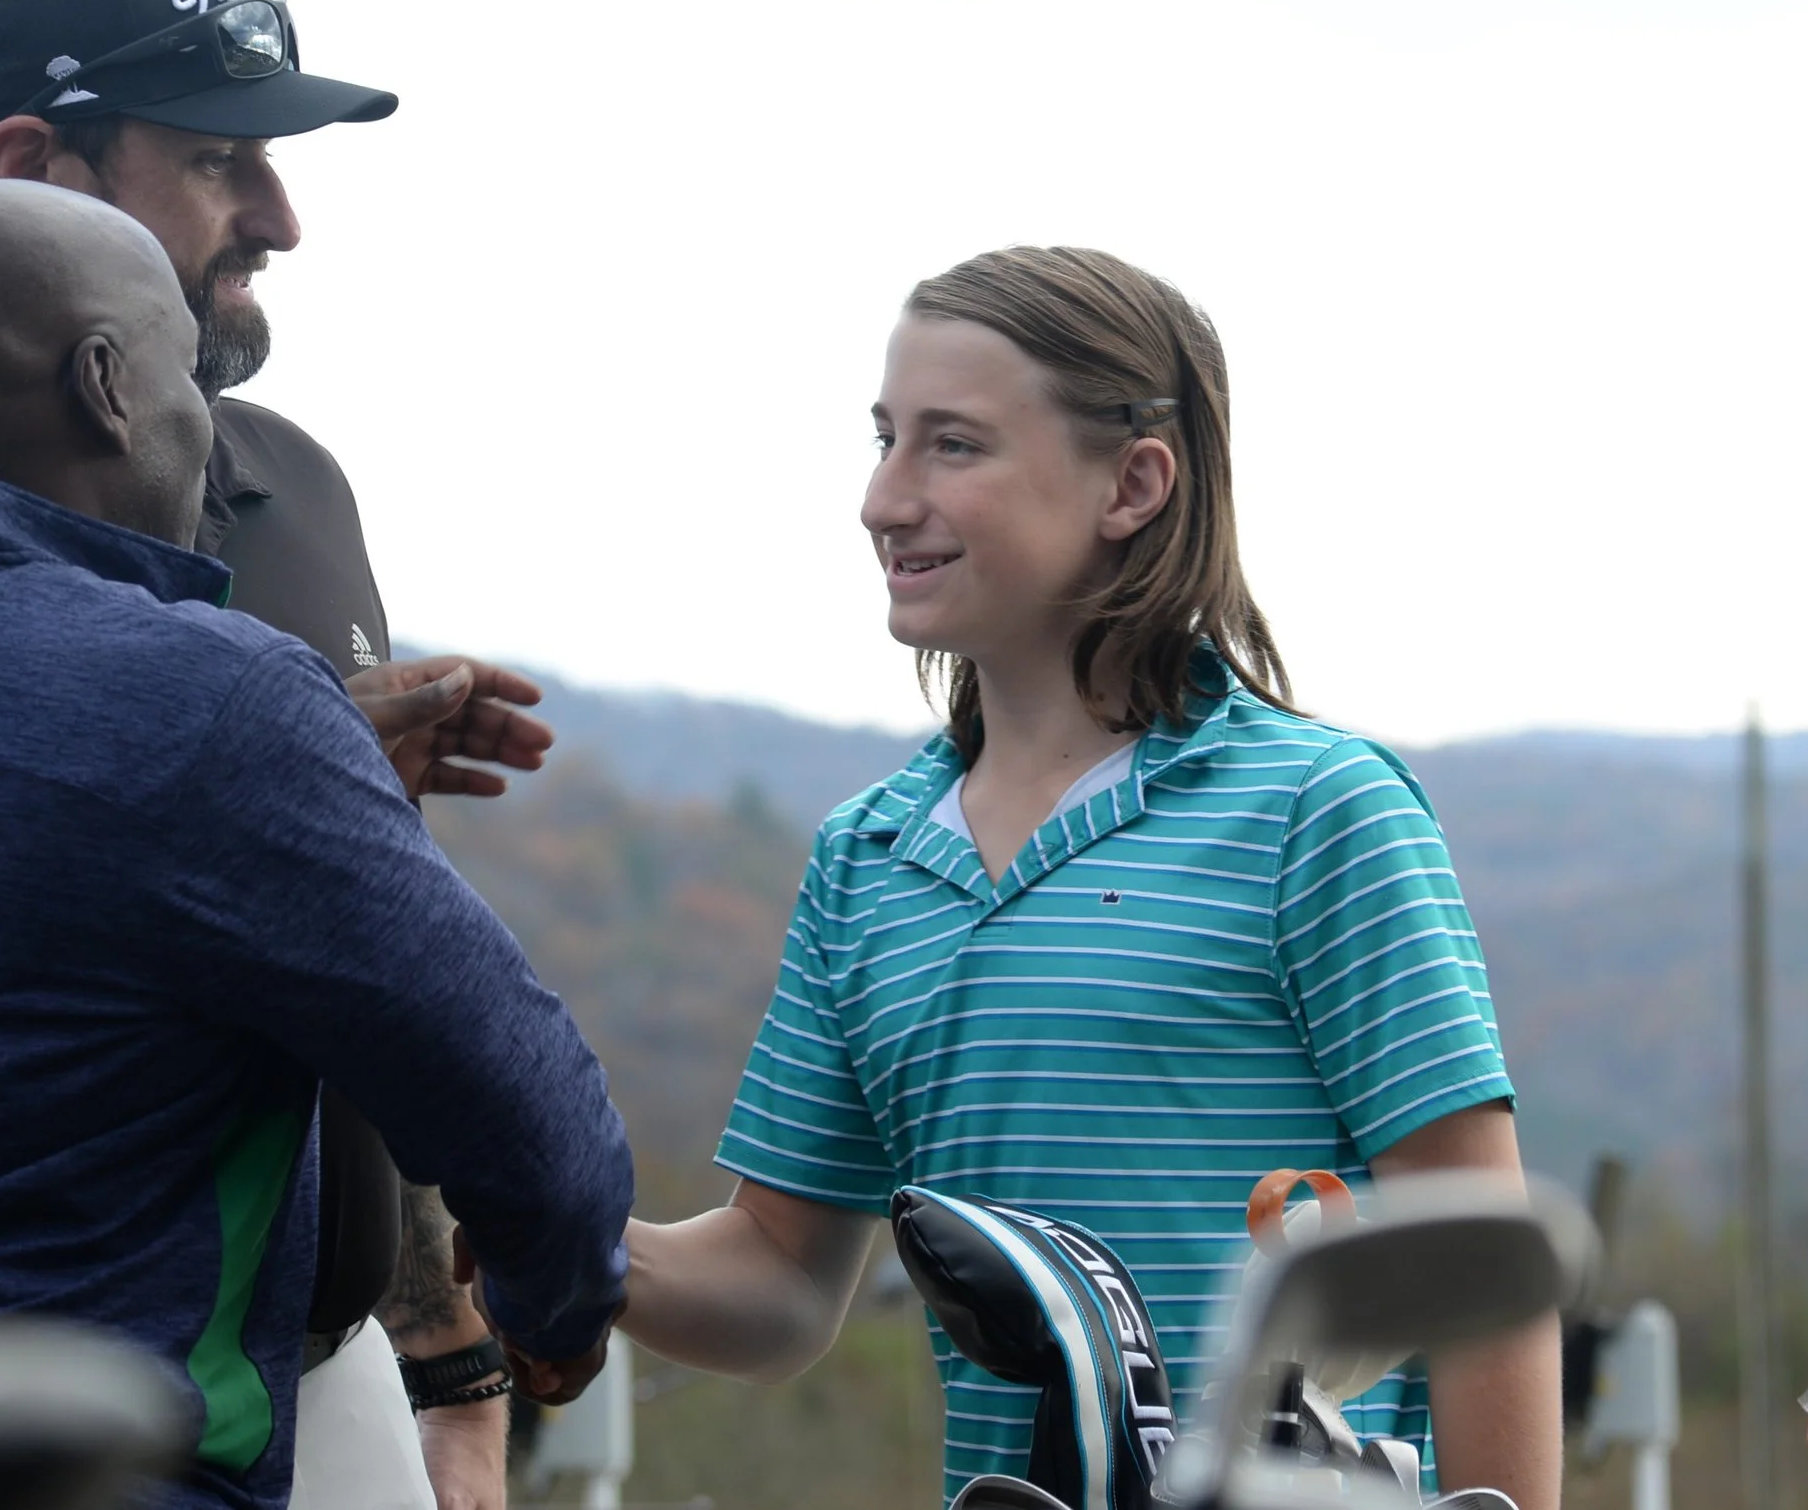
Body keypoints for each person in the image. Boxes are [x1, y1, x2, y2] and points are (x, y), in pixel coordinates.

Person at [618, 246, 1563, 1507]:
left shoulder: (1317, 811)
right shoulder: (864, 859)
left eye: (953, 445)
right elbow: (781, 1279)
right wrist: (549, 1232)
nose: (882, 499)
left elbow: (1480, 1269)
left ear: (1132, 483)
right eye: (886, 439)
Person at [0, 177, 633, 1510]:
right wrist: (552, 1307)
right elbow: (529, 1118)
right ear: (106, 386)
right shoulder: (207, 700)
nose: (202, 434)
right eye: (184, 385)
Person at [0, 0, 523, 1509]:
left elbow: (372, 968)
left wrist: (447, 1360)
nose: (281, 216)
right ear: (35, 164)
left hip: (319, 1379)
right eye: (215, 157)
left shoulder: (293, 483)